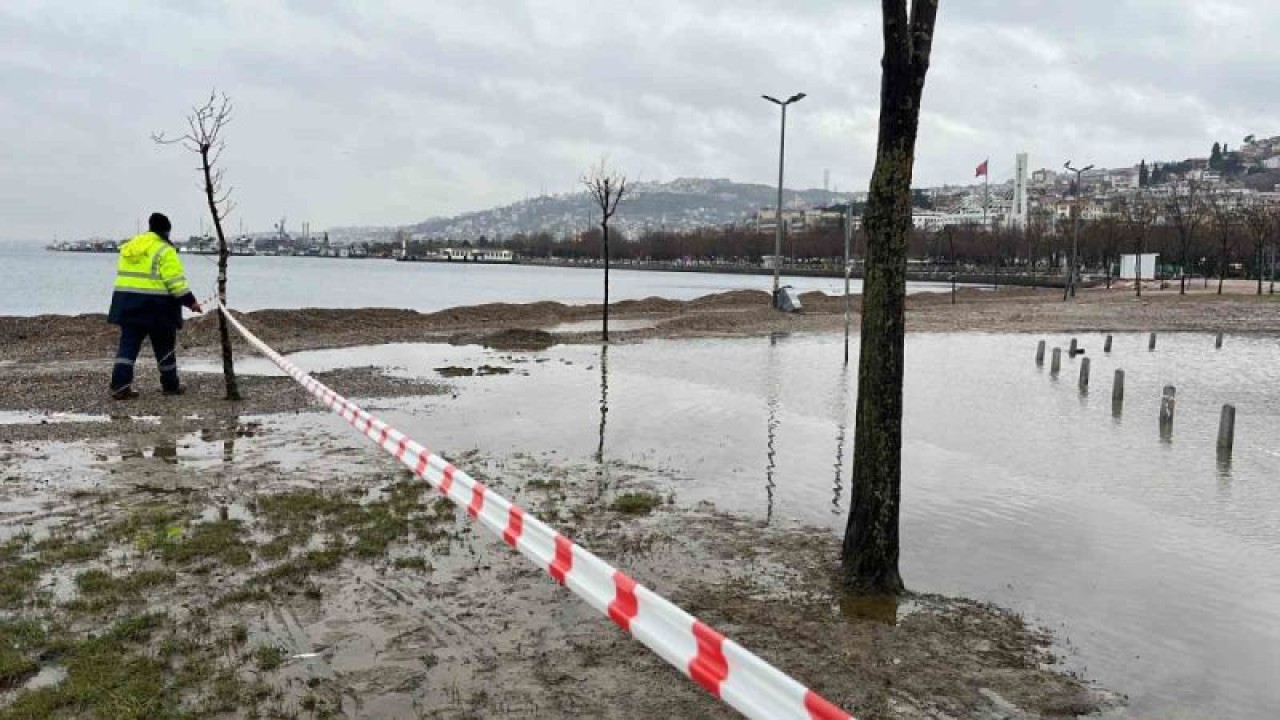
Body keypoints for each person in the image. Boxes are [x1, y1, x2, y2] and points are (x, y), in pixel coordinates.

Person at [107, 212, 203, 399]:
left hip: (128, 304)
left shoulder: (130, 247)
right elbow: (175, 282)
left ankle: (120, 387)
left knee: (127, 348)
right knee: (165, 348)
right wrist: (191, 302)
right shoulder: (165, 250)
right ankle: (170, 385)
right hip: (158, 308)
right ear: (166, 231)